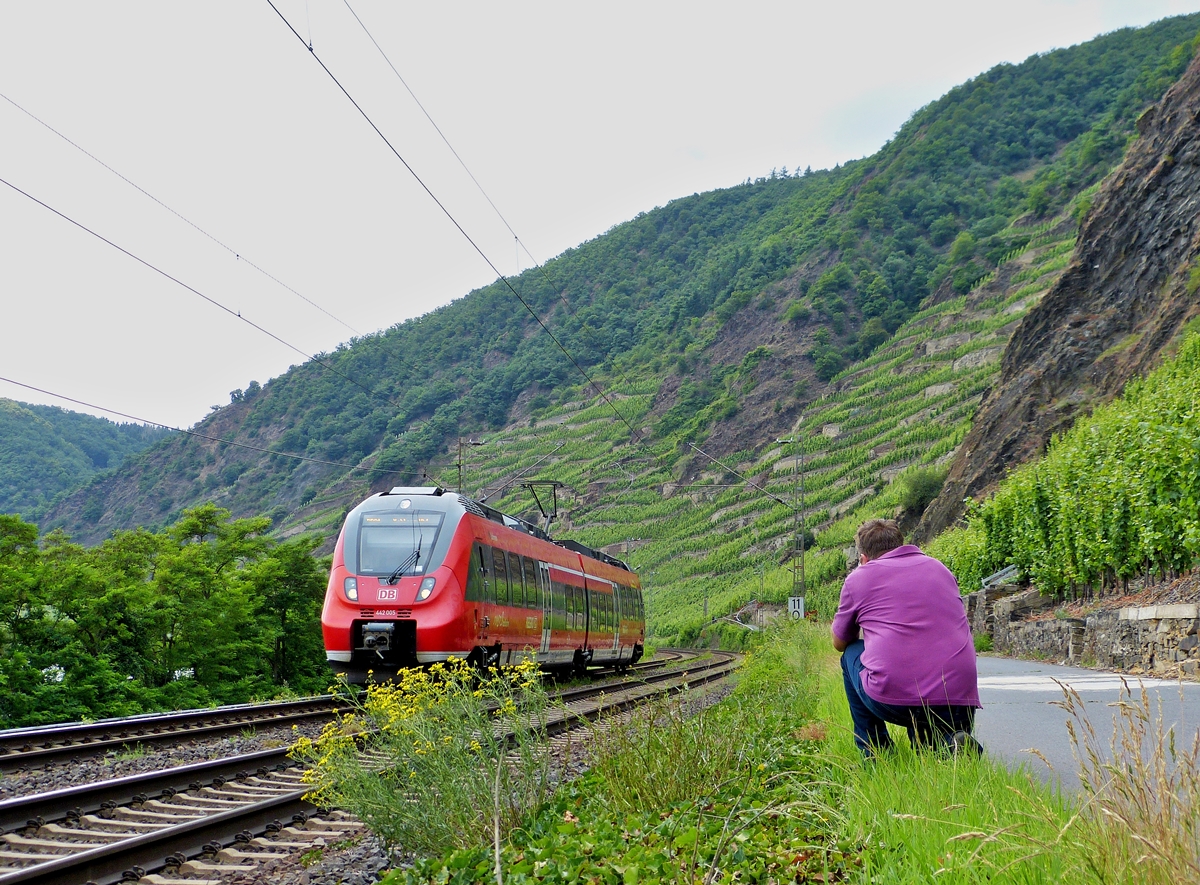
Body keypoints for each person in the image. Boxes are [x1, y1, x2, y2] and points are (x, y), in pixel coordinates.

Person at [831, 518, 981, 756]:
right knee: (934, 752)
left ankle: (876, 753)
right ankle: (949, 744)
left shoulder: (860, 577)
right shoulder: (940, 568)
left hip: (899, 700)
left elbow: (840, 642)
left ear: (864, 558)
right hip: (959, 697)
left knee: (851, 653)